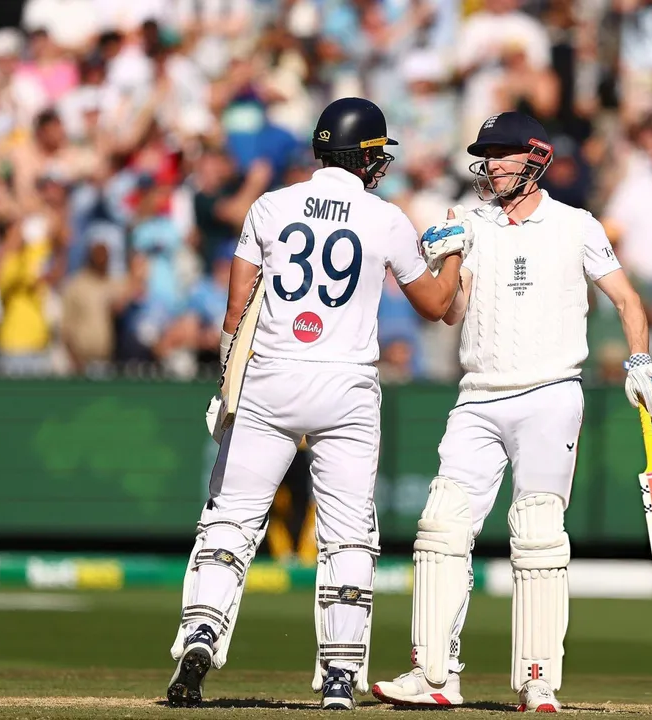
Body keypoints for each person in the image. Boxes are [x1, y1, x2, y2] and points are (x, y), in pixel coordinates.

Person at [166, 97, 464, 710]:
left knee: (230, 521)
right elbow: (437, 308)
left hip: (270, 378)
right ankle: (338, 674)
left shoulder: (269, 206)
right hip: (345, 387)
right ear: (362, 156)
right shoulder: (384, 217)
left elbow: (234, 313)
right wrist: (454, 250)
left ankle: (200, 633)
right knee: (349, 534)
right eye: (377, 152)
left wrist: (228, 386)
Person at [371, 112, 652, 712]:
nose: (490, 165)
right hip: (479, 395)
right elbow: (451, 313)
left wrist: (640, 360)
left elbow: (627, 299)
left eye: (502, 154)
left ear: (535, 159)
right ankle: (434, 673)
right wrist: (447, 260)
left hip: (549, 392)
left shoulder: (576, 225)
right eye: (485, 155)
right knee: (441, 527)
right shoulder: (467, 220)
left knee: (537, 532)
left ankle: (538, 679)